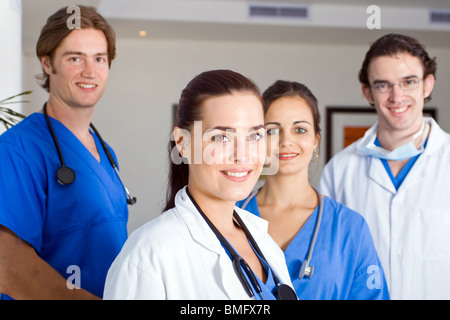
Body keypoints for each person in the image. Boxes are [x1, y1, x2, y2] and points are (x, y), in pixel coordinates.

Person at [103, 70, 296, 300]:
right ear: (183, 143)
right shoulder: (148, 254)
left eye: (254, 136)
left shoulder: (265, 243)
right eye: (221, 137)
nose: (242, 156)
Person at [0, 6, 131, 300]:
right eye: (75, 58)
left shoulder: (105, 152)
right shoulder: (17, 150)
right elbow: (9, 269)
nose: (89, 71)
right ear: (47, 63)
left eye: (99, 58)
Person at [319, 33, 450, 299]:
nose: (396, 96)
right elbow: (328, 262)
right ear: (367, 91)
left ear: (427, 85)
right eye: (383, 85)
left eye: (409, 82)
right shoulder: (340, 170)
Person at [236, 80, 389, 300]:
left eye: (300, 130)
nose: (286, 140)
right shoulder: (230, 218)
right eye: (273, 130)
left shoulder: (350, 228)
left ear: (315, 140)